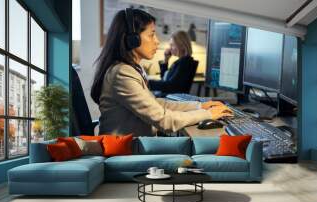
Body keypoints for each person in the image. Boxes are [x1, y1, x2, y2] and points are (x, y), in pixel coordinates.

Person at [90, 8, 232, 136]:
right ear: (132, 39)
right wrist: (207, 114)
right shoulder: (122, 73)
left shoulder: (127, 69)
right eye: (152, 35)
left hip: (135, 147)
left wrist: (199, 106)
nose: (157, 41)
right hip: (125, 153)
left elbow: (156, 104)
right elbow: (165, 121)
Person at [148, 30, 197, 95]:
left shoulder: (185, 63)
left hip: (171, 98)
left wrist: (148, 83)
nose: (170, 48)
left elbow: (171, 86)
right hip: (167, 95)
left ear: (182, 46)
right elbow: (164, 79)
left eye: (172, 45)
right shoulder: (181, 61)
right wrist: (166, 60)